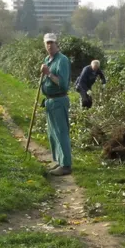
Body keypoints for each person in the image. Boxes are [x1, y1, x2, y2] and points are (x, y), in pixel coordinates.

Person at [41, 33, 73, 175]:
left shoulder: (62, 60)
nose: (49, 45)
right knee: (53, 134)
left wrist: (48, 74)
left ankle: (66, 165)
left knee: (61, 133)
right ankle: (59, 162)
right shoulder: (47, 59)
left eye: (52, 43)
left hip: (59, 100)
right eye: (47, 43)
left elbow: (63, 84)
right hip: (50, 101)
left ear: (57, 44)